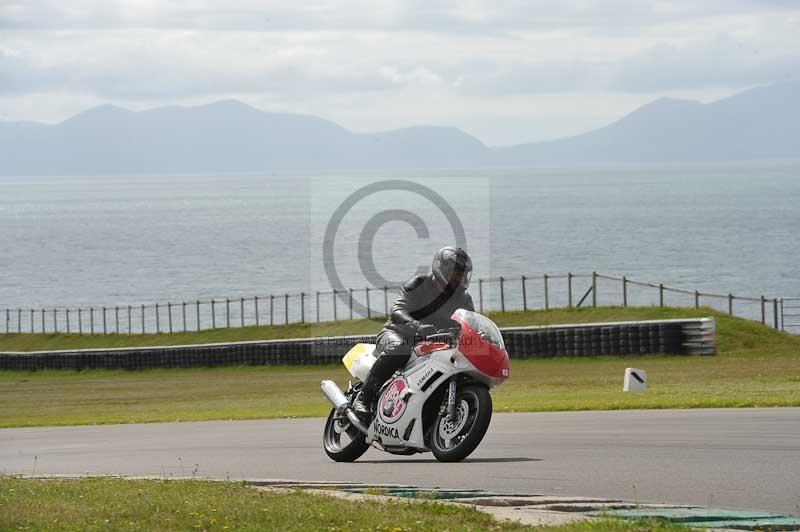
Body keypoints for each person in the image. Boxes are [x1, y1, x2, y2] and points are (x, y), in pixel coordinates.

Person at [352, 246, 475, 420]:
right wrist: (416, 325)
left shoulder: (464, 298)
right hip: (397, 334)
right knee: (399, 349)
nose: (459, 277)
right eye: (456, 272)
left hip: (433, 345)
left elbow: (470, 323)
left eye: (462, 274)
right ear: (443, 269)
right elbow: (397, 310)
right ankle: (363, 399)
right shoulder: (419, 284)